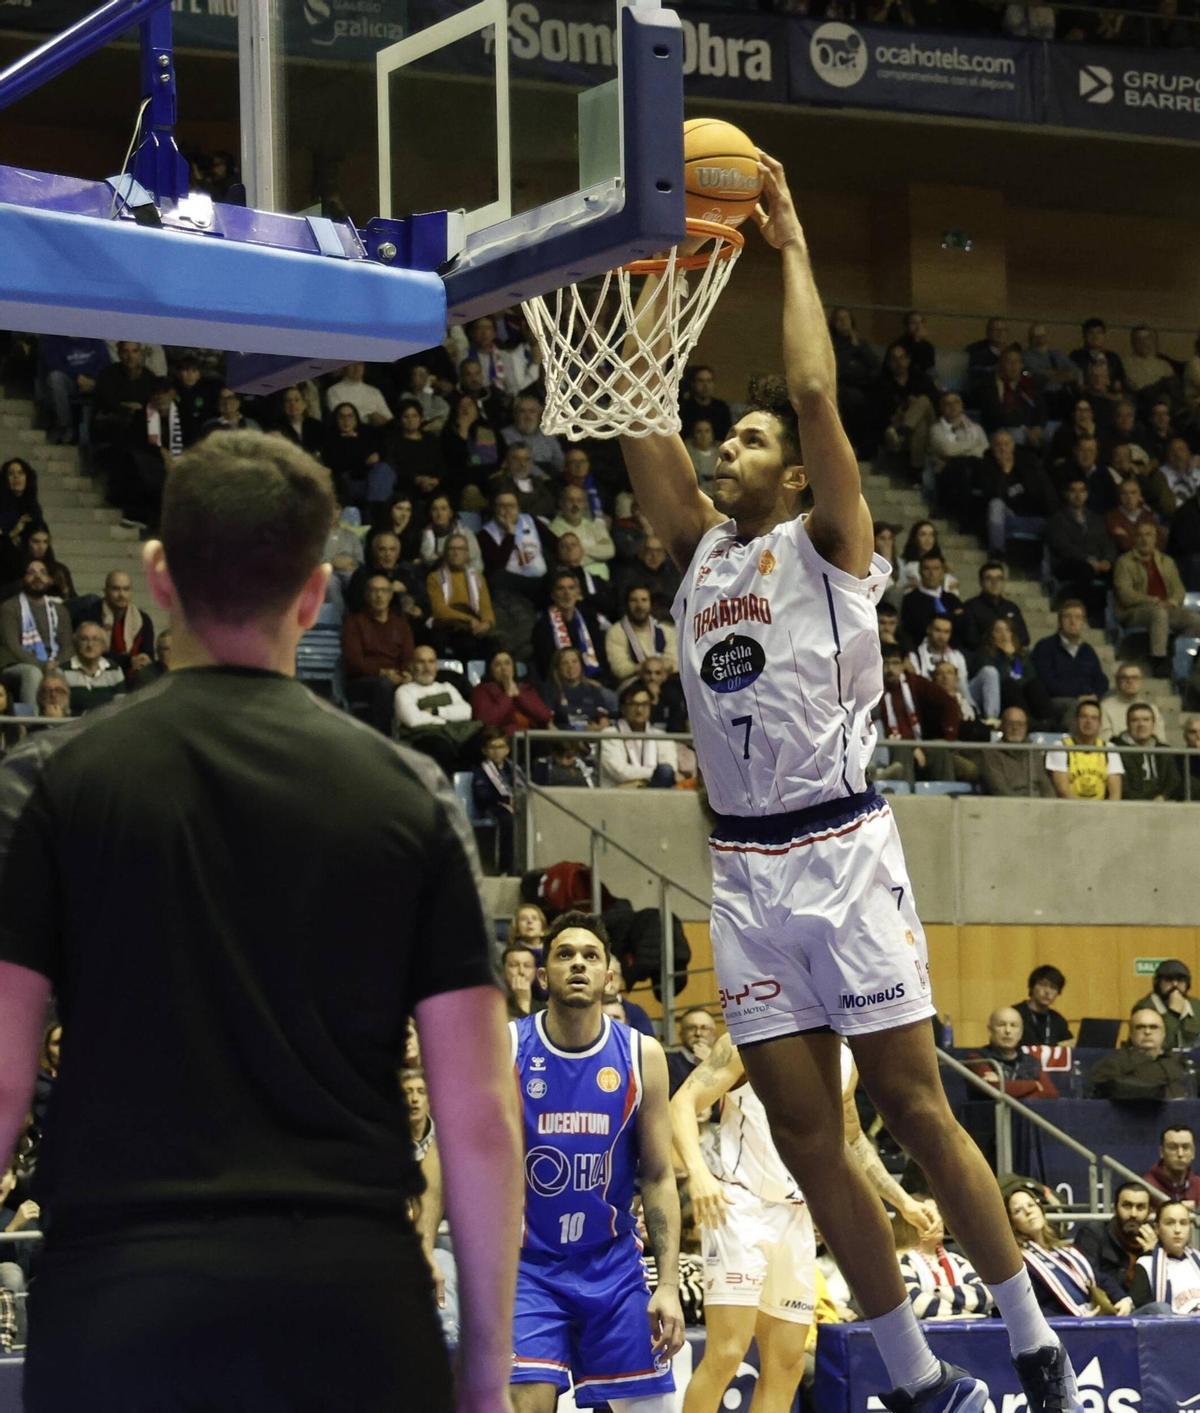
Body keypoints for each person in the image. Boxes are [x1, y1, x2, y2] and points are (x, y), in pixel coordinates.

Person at [616, 152, 1077, 1413]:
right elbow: (638, 410)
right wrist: (655, 271)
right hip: (747, 871)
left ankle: (1033, 1335)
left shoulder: (832, 542)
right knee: (817, 1150)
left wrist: (790, 242)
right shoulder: (697, 554)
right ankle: (922, 1380)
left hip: (843, 846)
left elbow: (816, 386)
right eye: (733, 432)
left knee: (919, 1111)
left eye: (753, 436)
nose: (733, 443)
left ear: (796, 471)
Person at [0, 429, 521, 1412]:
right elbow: (481, 1117)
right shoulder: (411, 796)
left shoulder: (47, 788)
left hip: (119, 1304)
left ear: (158, 577)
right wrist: (487, 1375)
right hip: (350, 1306)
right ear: (316, 592)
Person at [672, 1033, 941, 1413]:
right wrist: (697, 1173)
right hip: (739, 1206)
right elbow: (682, 1101)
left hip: (796, 1213)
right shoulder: (747, 1040)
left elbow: (851, 1141)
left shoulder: (846, 1058)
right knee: (728, 1353)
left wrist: (902, 1201)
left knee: (788, 1362)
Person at [509, 912, 684, 1411]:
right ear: (543, 977)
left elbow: (656, 1174)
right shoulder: (509, 1047)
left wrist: (667, 1284)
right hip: (529, 1269)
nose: (578, 964)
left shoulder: (641, 1054)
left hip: (613, 1268)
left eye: (591, 956)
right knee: (528, 1402)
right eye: (564, 955)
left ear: (610, 976)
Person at [1113, 520, 1200, 677]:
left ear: (1155, 538)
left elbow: (1179, 589)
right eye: (1139, 535)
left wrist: (1173, 601)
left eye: (1148, 535)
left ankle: (1181, 655)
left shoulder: (1167, 561)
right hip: (1134, 611)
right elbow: (1125, 594)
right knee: (1158, 613)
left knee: (1195, 619)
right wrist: (1153, 600)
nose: (1144, 539)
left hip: (1166, 608)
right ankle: (1159, 661)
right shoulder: (1124, 562)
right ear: (1134, 538)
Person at [1005, 1190, 1103, 1318]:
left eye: (1031, 1205)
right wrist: (1073, 1320)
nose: (1028, 1212)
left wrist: (1123, 1299)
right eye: (1018, 1210)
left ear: (1040, 1209)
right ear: (1012, 1223)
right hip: (1061, 1327)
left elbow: (1098, 1276)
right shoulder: (1018, 1262)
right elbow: (1028, 1308)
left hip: (1092, 1314)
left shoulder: (1064, 1248)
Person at [894, 1200, 994, 1321]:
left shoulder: (957, 1260)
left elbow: (987, 1294)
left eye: (939, 1213)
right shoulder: (900, 1260)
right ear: (909, 1221)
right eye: (929, 1215)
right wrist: (966, 1306)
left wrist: (939, 1292)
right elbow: (916, 1305)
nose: (938, 1220)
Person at [341, 574, 415, 734]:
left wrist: (406, 673)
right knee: (384, 685)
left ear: (390, 595)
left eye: (383, 591)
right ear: (367, 595)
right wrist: (382, 672)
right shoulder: (354, 623)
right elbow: (353, 661)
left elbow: (408, 655)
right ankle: (385, 738)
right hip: (362, 680)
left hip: (395, 677)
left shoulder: (400, 623)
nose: (379, 595)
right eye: (374, 591)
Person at [394, 644, 479, 774]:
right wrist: (447, 719)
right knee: (440, 747)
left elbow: (466, 712)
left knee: (482, 742)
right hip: (423, 737)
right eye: (421, 662)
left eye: (431, 662)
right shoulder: (404, 691)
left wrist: (436, 711)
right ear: (411, 666)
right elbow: (413, 720)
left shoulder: (447, 687)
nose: (427, 667)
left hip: (454, 735)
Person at [1073, 1183, 1153, 1313]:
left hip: (1139, 1310)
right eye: (1127, 1206)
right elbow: (1087, 1272)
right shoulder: (1094, 1233)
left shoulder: (1154, 1243)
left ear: (1149, 1212)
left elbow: (1151, 1291)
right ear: (1114, 1208)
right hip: (1106, 1309)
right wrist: (1122, 1298)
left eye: (1140, 1207)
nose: (1133, 1214)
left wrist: (1150, 1255)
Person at [0, 559, 69, 705]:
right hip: (15, 665)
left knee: (60, 674)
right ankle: (32, 724)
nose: (37, 577)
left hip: (52, 662)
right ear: (23, 579)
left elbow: (68, 646)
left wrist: (56, 663)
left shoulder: (60, 610)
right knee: (33, 673)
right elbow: (12, 647)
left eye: (42, 573)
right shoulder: (9, 607)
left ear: (50, 580)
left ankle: (61, 720)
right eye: (31, 573)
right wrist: (43, 666)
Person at [1029, 601, 1108, 723]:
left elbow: (1101, 679)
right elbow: (1046, 682)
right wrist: (1079, 696)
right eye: (1068, 617)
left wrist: (1095, 695)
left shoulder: (1087, 650)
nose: (1073, 622)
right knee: (1076, 706)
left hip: (1086, 699)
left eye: (1078, 617)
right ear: (1060, 621)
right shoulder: (1045, 647)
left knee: (1107, 705)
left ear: (1083, 622)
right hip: (1055, 701)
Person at [1086, 1009, 1190, 1100]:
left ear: (1163, 1034)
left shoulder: (1177, 1061)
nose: (1147, 1032)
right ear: (1131, 1034)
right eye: (1140, 1027)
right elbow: (1100, 1088)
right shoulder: (1117, 1061)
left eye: (1154, 1027)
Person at [599, 681, 679, 789]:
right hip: (618, 795)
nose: (639, 710)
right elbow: (620, 772)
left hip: (654, 792)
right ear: (623, 708)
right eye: (633, 704)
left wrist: (640, 782)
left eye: (644, 704)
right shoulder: (610, 734)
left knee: (665, 771)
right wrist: (654, 773)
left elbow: (670, 770)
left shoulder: (662, 736)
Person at [967, 1009, 1059, 1100]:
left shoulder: (1031, 1062)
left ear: (1021, 1032)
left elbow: (1051, 1094)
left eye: (1013, 1025)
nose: (1007, 1031)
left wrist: (1008, 1087)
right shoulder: (977, 1058)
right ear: (990, 1030)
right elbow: (995, 1088)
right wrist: (1035, 1084)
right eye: (1001, 1025)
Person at [1045, 698, 1123, 800]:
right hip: (1070, 810)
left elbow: (1115, 795)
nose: (1088, 722)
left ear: (1100, 724)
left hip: (1101, 811)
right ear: (1075, 721)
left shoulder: (1109, 749)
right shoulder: (1060, 747)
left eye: (1094, 718)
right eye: (1084, 717)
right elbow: (1063, 792)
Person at [1130, 1202, 1200, 1315]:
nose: (1177, 1230)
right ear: (1157, 1228)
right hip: (1170, 1328)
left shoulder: (1198, 1259)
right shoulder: (1147, 1264)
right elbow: (1142, 1312)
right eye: (1170, 1223)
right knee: (1160, 1308)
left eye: (1183, 1223)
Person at [605, 584, 679, 689]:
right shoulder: (616, 631)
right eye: (634, 600)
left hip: (666, 682)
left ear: (651, 604)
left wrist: (655, 670)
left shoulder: (666, 629)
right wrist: (646, 669)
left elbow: (674, 662)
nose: (639, 605)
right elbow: (619, 668)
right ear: (627, 604)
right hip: (633, 685)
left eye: (644, 600)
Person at [470, 649, 553, 738]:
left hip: (532, 737)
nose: (504, 668)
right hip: (504, 739)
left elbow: (545, 716)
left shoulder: (526, 689)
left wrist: (518, 695)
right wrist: (508, 696)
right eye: (498, 665)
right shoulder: (481, 691)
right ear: (490, 670)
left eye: (507, 663)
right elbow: (487, 721)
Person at [472, 726, 520, 872]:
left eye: (501, 746)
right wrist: (504, 801)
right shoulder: (481, 771)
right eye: (492, 747)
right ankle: (506, 867)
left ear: (507, 749)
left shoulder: (513, 768)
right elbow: (482, 796)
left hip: (514, 804)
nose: (497, 751)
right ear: (484, 750)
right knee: (507, 820)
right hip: (492, 807)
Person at [981, 706, 1056, 800]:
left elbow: (1046, 787)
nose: (1015, 728)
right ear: (1002, 726)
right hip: (1008, 807)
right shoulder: (990, 754)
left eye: (1020, 724)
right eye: (1010, 723)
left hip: (1039, 806)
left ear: (1026, 727)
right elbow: (999, 789)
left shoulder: (1034, 752)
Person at [1116, 703, 1181, 802]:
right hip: (1130, 807)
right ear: (1127, 724)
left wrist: (1163, 796)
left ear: (1153, 724)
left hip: (1162, 805)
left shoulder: (1165, 750)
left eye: (1146, 720)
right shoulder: (1115, 749)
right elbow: (1123, 787)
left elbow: (1174, 780)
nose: (1141, 724)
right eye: (1135, 720)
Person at [1131, 959, 1198, 1052]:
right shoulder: (1144, 1008)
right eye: (1168, 979)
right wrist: (1173, 1014)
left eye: (1180, 980)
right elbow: (1158, 1046)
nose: (1175, 984)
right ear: (1158, 983)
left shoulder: (1196, 1006)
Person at [61, 622, 126, 715]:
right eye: (84, 639)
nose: (90, 645)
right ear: (76, 643)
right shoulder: (62, 672)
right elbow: (60, 711)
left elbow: (121, 707)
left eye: (95, 639)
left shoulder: (114, 669)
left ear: (103, 645)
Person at [1100, 663, 1166, 743]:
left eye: (1134, 677)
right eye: (1124, 678)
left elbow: (1160, 741)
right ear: (1117, 681)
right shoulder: (1104, 707)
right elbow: (1105, 741)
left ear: (1141, 681)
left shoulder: (1152, 709)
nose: (1130, 681)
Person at [1013, 966, 1073, 1049]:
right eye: (1043, 985)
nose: (1047, 991)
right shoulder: (1014, 1014)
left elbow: (1069, 1047)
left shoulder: (1058, 1020)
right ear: (1032, 986)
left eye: (1053, 987)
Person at [665, 1006, 717, 1098]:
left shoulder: (725, 1063)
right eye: (691, 1028)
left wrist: (710, 1064)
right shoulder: (667, 1062)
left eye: (704, 1028)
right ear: (681, 1034)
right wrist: (705, 1067)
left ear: (714, 1035)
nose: (698, 1033)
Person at [1144, 1125, 1200, 1207]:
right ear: (1161, 1152)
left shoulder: (1198, 1186)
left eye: (1185, 1147)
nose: (1180, 1154)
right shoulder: (1146, 1187)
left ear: (1193, 1152)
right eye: (1173, 1147)